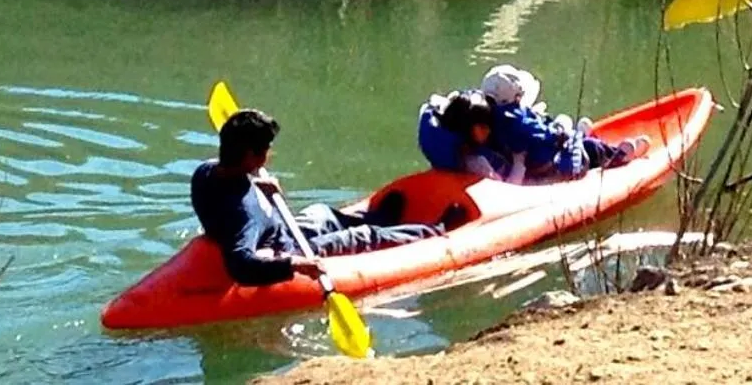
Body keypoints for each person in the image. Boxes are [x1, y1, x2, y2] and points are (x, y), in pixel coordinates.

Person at [192, 108, 452, 287]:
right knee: (362, 237)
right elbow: (241, 267)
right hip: (284, 249)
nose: (269, 155)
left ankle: (380, 217)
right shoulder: (242, 217)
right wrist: (295, 265)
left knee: (322, 213)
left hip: (283, 229)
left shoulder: (206, 171)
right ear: (250, 156)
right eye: (266, 150)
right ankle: (436, 230)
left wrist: (256, 182)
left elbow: (233, 182)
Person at [478, 65, 648, 183]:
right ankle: (618, 156)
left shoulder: (485, 115)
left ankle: (580, 134)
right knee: (591, 147)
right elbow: (548, 136)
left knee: (568, 131)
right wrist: (561, 130)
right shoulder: (517, 121)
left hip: (525, 161)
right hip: (547, 165)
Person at [418, 89, 514, 179]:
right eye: (482, 126)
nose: (488, 131)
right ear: (466, 126)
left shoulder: (475, 152)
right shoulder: (475, 163)